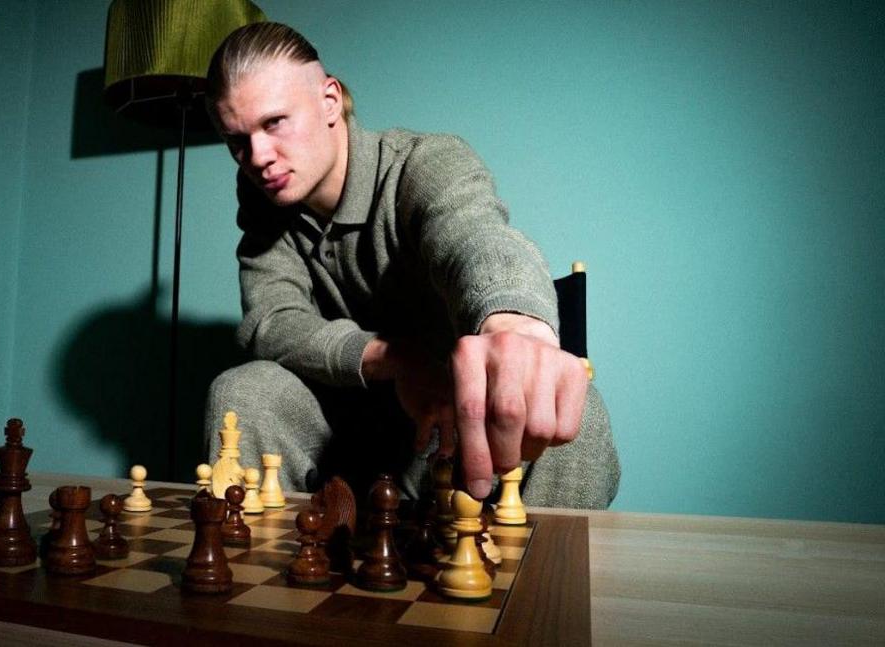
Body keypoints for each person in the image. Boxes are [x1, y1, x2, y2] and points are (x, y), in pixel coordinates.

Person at [202, 22, 619, 507]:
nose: (258, 157)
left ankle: (543, 580)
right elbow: (270, 322)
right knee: (244, 391)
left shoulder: (424, 163)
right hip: (346, 420)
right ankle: (259, 574)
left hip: (450, 420)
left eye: (274, 122)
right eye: (237, 140)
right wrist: (394, 359)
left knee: (579, 412)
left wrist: (515, 323)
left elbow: (474, 235)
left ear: (329, 101)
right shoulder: (262, 204)